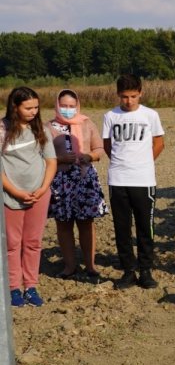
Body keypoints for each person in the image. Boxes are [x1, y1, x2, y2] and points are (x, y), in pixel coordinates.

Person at [102, 74, 165, 289]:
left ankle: (145, 270)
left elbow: (159, 143)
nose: (128, 101)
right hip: (118, 179)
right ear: (118, 95)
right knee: (122, 227)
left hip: (143, 179)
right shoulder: (110, 116)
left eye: (133, 96)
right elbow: (107, 145)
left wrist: (143, 162)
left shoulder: (150, 115)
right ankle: (128, 271)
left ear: (141, 93)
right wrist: (122, 164)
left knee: (145, 227)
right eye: (124, 97)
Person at [1, 87, 57, 307]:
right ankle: (13, 288)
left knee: (33, 242)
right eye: (28, 107)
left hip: (38, 194)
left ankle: (31, 286)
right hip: (10, 196)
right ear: (15, 107)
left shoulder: (41, 130)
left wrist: (43, 189)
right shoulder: (2, 130)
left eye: (36, 107)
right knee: (12, 244)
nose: (34, 111)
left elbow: (51, 161)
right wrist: (14, 191)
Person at [47, 89, 107, 283]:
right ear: (57, 105)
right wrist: (61, 158)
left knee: (86, 223)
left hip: (85, 179)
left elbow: (100, 148)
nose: (67, 109)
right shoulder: (48, 127)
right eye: (64, 106)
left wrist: (89, 156)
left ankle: (90, 265)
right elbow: (41, 154)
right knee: (64, 224)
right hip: (61, 181)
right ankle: (69, 265)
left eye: (71, 106)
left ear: (77, 106)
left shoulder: (87, 123)